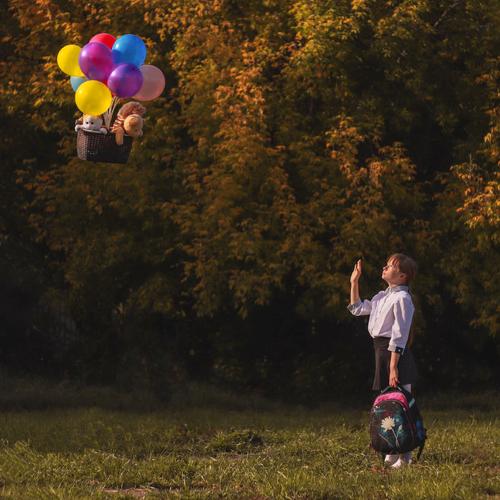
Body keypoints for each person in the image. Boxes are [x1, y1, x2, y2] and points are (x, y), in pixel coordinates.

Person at [348, 253, 418, 468]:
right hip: (380, 352)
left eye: (390, 266)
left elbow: (400, 334)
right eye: (386, 264)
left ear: (402, 276)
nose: (384, 268)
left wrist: (393, 365)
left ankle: (405, 456)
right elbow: (358, 309)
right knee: (388, 404)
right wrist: (354, 282)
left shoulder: (403, 298)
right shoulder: (381, 296)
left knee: (402, 403)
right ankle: (391, 449)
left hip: (396, 354)